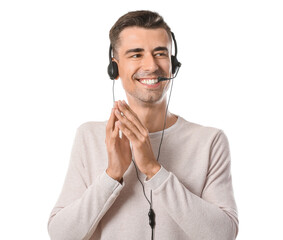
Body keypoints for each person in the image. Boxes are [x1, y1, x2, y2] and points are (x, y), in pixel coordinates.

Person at [48, 10, 239, 240]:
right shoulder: (89, 136)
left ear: (173, 63)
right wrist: (112, 175)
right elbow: (61, 235)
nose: (151, 65)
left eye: (160, 53)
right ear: (115, 69)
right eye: (136, 55)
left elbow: (223, 234)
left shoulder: (210, 141)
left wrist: (153, 169)